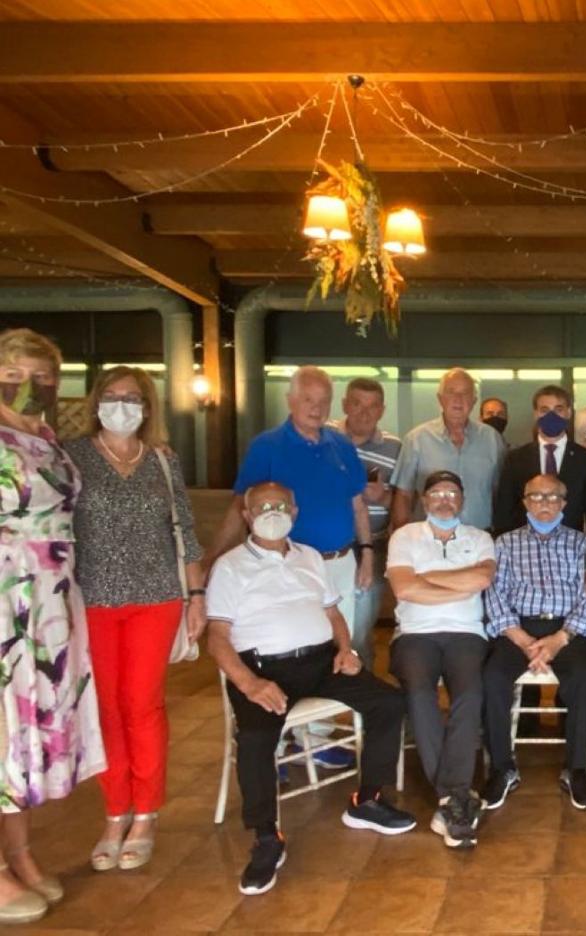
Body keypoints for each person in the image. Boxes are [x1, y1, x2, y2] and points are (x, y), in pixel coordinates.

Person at [205, 482, 415, 895]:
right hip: (262, 668)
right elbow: (216, 637)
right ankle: (267, 837)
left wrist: (345, 649)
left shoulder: (309, 557)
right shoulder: (230, 566)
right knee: (255, 738)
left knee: (389, 703)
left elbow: (332, 612)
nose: (272, 511)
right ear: (247, 516)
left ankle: (368, 800)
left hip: (321, 661)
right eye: (262, 506)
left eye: (281, 505)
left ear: (294, 511)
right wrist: (249, 683)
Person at [65, 366, 204, 874]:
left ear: (148, 406)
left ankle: (145, 813)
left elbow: (183, 530)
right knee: (105, 708)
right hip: (94, 599)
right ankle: (114, 811)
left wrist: (196, 595)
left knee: (142, 704)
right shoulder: (72, 457)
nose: (121, 405)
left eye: (132, 397)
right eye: (112, 396)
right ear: (96, 400)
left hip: (157, 598)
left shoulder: (163, 461)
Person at [206, 365, 373, 770]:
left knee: (334, 650)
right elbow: (240, 504)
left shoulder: (340, 445)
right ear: (291, 401)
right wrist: (214, 557)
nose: (316, 409)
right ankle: (274, 745)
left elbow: (357, 503)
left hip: (337, 562)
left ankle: (315, 736)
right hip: (279, 566)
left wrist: (367, 551)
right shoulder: (268, 446)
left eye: (322, 402)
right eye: (307, 400)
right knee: (281, 650)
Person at [0, 328, 105, 924]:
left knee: (26, 734)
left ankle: (20, 852)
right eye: (13, 375)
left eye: (41, 377)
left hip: (51, 597)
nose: (28, 387)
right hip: (5, 595)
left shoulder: (45, 439)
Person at [386, 471, 496, 848]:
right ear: (424, 498)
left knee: (470, 694)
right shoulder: (405, 536)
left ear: (462, 500)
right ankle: (455, 796)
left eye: (452, 493)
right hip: (415, 636)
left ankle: (450, 797)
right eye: (437, 493)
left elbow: (483, 580)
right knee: (419, 695)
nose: (445, 500)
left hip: (467, 634)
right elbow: (403, 587)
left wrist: (428, 580)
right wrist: (457, 583)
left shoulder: (480, 538)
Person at [481, 474, 586, 811]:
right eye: (536, 497)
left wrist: (559, 639)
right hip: (517, 629)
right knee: (492, 678)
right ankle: (503, 768)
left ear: (564, 504)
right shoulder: (505, 543)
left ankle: (576, 769)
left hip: (567, 631)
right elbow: (494, 593)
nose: (544, 504)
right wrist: (521, 638)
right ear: (524, 502)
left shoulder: (582, 544)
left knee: (585, 679)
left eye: (552, 498)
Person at [329, 377, 402, 669]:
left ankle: (365, 702)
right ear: (345, 404)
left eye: (372, 406)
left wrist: (382, 497)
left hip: (373, 544)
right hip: (327, 545)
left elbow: (404, 500)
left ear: (382, 410)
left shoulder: (394, 447)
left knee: (359, 631)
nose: (364, 412)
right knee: (319, 627)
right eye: (357, 404)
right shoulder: (325, 437)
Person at [392, 367, 507, 531]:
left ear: (474, 400)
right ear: (440, 399)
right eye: (451, 392)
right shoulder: (416, 439)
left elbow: (500, 494)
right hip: (429, 543)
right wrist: (401, 540)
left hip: (479, 541)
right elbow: (403, 495)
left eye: (465, 393)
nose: (458, 399)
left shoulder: (492, 439)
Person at [494, 385, 586, 536]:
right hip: (524, 548)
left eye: (558, 409)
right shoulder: (516, 458)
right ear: (535, 414)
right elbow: (505, 509)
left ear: (569, 413)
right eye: (544, 410)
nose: (551, 416)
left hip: (571, 548)